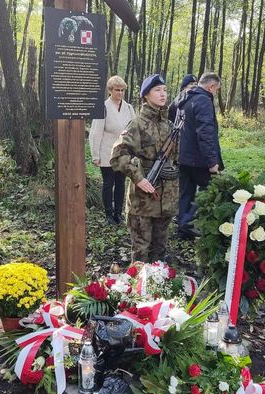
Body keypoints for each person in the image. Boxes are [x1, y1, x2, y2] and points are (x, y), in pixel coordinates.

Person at [110, 74, 178, 262]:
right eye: (157, 90)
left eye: (164, 90)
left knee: (160, 252)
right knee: (141, 253)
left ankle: (158, 288)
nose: (163, 94)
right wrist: (138, 177)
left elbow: (176, 158)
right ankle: (137, 290)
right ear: (145, 95)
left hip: (166, 201)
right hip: (143, 203)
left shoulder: (170, 125)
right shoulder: (137, 124)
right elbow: (119, 154)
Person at [174, 72, 224, 240]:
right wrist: (212, 161)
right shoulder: (203, 100)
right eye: (216, 90)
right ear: (211, 86)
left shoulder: (184, 98)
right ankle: (187, 222)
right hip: (199, 159)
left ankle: (182, 230)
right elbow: (205, 132)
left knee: (186, 193)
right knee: (209, 191)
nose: (215, 93)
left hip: (183, 156)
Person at [89, 75, 136, 225]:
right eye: (117, 90)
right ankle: (108, 214)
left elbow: (134, 129)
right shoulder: (103, 107)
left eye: (122, 90)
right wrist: (95, 154)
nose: (120, 93)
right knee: (108, 183)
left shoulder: (129, 108)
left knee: (121, 182)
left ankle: (118, 213)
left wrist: (134, 149)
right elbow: (96, 132)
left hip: (123, 152)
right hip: (106, 151)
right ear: (110, 90)